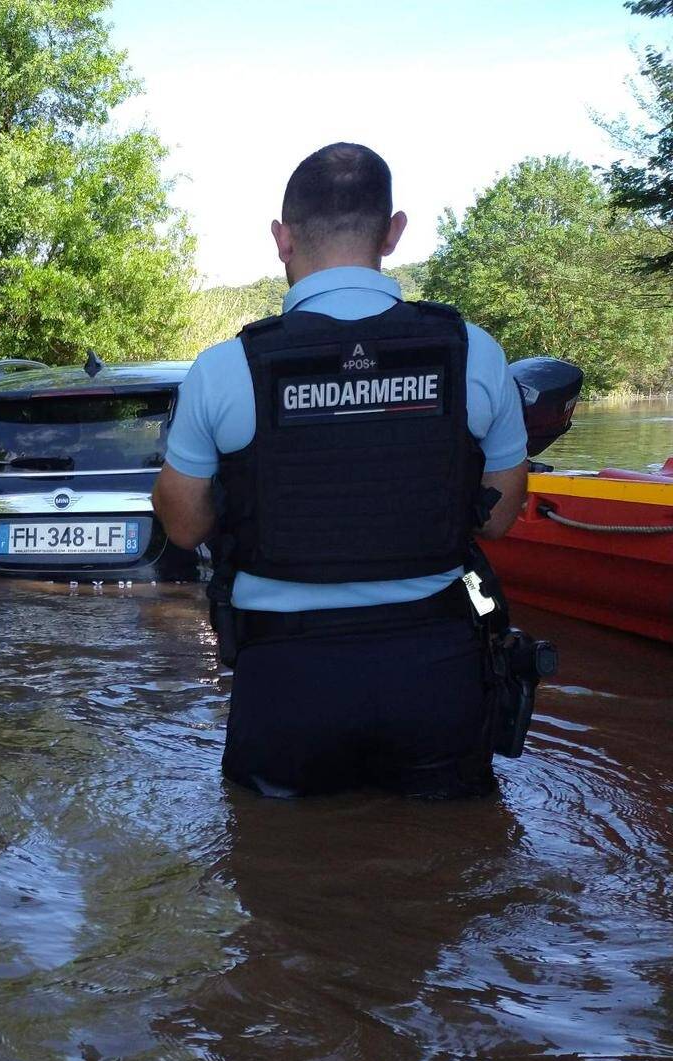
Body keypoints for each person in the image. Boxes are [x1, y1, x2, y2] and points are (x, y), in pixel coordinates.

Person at [153, 143, 530, 799]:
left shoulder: (224, 370)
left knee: (274, 882)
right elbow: (497, 519)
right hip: (435, 673)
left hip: (286, 683)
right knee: (453, 880)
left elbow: (183, 527)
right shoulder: (475, 354)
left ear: (281, 238)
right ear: (393, 231)